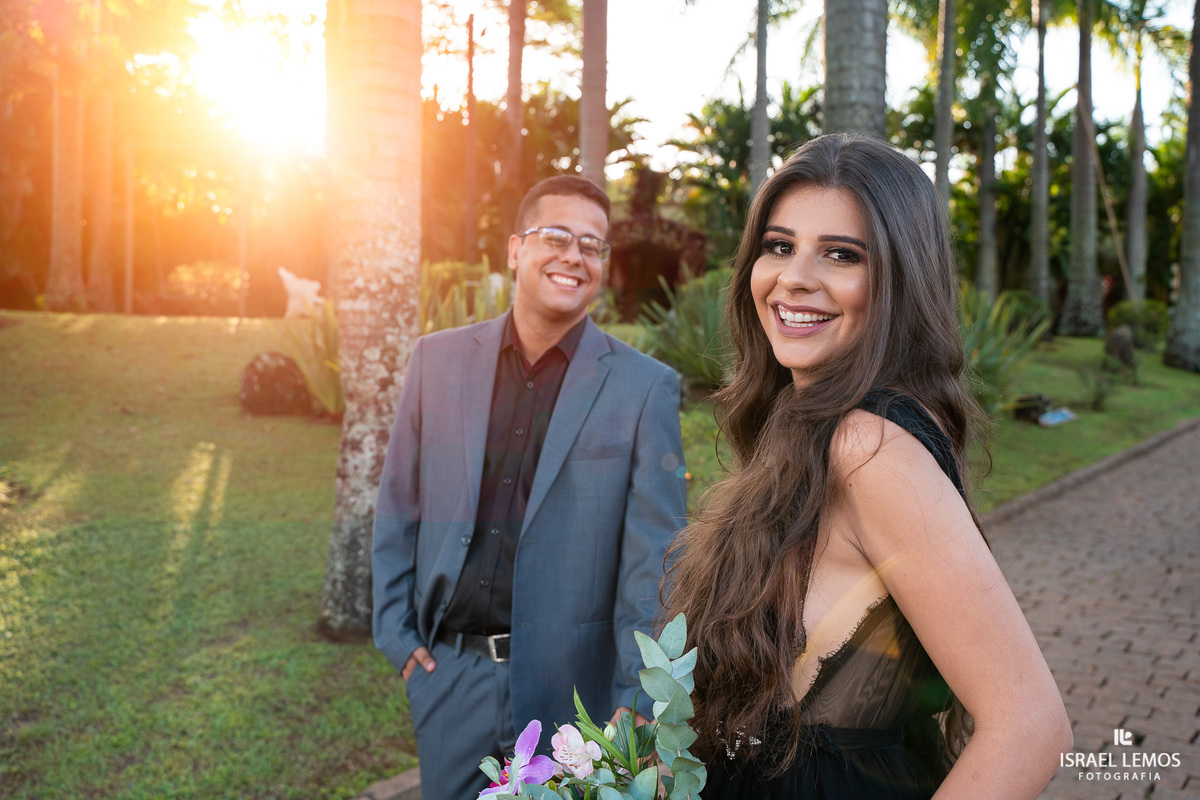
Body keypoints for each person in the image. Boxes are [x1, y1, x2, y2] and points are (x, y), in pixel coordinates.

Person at [665, 134, 1072, 799]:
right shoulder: (808, 426)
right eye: (779, 245)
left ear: (898, 280)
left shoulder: (867, 446)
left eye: (841, 254)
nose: (795, 276)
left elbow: (1030, 726)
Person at [372, 175, 688, 800]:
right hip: (449, 677)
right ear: (516, 249)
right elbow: (398, 509)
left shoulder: (643, 388)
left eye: (593, 245)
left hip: (577, 694)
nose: (575, 255)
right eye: (557, 237)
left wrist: (639, 697)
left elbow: (653, 557)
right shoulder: (436, 361)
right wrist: (399, 639)